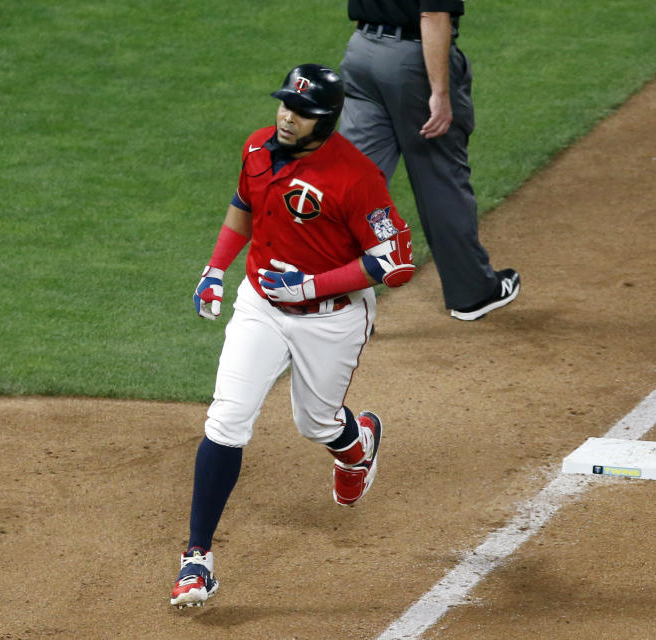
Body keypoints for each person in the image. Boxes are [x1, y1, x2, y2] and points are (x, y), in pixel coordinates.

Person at [169, 63, 415, 608]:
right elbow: (243, 208)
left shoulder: (355, 177)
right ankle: (196, 560)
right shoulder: (257, 149)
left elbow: (395, 263)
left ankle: (357, 446)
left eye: (301, 112)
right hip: (261, 304)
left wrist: (310, 285)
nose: (286, 116)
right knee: (226, 420)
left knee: (314, 421)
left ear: (325, 119)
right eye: (284, 104)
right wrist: (215, 269)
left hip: (332, 317)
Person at [338, 0, 520, 321]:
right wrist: (440, 93)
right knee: (440, 178)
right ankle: (473, 293)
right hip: (412, 61)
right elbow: (433, 12)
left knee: (352, 185)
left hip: (361, 53)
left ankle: (338, 303)